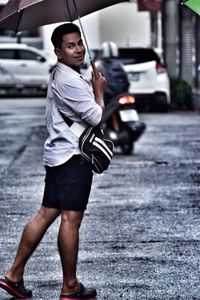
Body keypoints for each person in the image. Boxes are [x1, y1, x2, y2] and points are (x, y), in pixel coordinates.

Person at [0, 23, 107, 299]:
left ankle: (13, 275)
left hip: (59, 156)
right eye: (70, 46)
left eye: (79, 42)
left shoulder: (65, 74)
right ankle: (70, 286)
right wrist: (99, 91)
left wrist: (89, 84)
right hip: (73, 158)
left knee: (46, 213)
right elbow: (95, 117)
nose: (78, 49)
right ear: (58, 52)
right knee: (71, 219)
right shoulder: (69, 79)